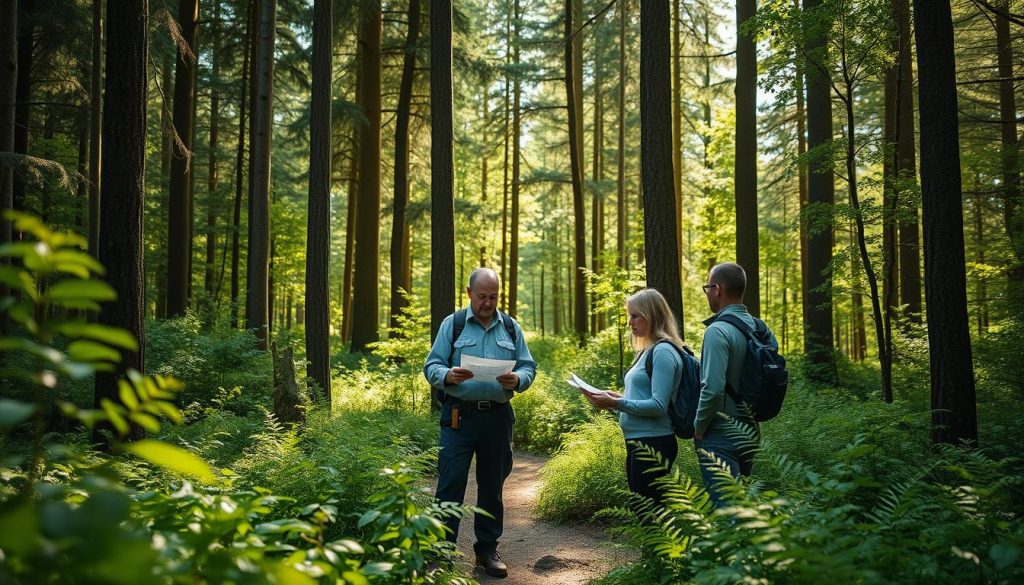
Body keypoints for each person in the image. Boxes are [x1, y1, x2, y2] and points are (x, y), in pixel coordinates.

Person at [423, 267, 536, 578]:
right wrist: (446, 375)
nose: (488, 302)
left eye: (493, 296)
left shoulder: (510, 328)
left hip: (498, 418)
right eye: (483, 296)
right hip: (459, 417)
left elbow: (528, 365)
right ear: (469, 293)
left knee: (492, 486)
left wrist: (519, 379)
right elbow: (432, 364)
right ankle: (440, 552)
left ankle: (486, 550)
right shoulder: (454, 325)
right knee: (450, 483)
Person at [582, 288, 683, 506]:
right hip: (639, 441)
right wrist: (613, 398)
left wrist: (617, 403)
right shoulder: (646, 351)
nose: (630, 322)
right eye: (630, 315)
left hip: (654, 443)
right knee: (645, 509)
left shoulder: (663, 351)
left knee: (649, 512)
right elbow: (642, 396)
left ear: (652, 316)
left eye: (635, 316)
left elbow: (658, 406)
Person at [694, 262, 775, 505]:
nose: (707, 293)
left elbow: (713, 388)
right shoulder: (761, 329)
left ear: (717, 289)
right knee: (742, 507)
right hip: (751, 430)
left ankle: (737, 544)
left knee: (727, 509)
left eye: (707, 287)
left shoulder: (717, 331)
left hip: (720, 432)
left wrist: (698, 428)